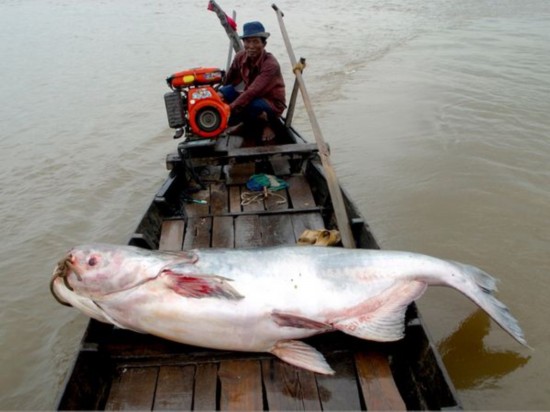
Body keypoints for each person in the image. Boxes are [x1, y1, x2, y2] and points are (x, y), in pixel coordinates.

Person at [219, 21, 286, 142]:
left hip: (270, 103)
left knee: (253, 104)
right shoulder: (240, 57)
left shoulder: (271, 64)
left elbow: (253, 91)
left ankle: (267, 125)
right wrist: (219, 96)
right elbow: (230, 80)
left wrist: (229, 108)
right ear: (243, 43)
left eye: (255, 41)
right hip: (251, 97)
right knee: (225, 92)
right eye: (248, 42)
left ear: (264, 44)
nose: (251, 46)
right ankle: (243, 122)